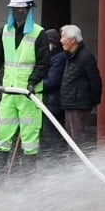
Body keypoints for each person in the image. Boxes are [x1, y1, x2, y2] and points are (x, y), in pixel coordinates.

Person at [0, 0, 51, 175]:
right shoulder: (3, 32)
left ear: (29, 10)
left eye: (22, 10)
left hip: (29, 95)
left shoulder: (39, 34)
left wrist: (33, 81)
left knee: (29, 139)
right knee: (1, 135)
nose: (18, 12)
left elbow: (43, 63)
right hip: (8, 93)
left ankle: (26, 177)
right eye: (15, 10)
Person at [59, 24, 102, 150]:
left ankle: (80, 166)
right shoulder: (70, 56)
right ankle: (73, 166)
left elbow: (95, 80)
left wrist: (94, 101)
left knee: (79, 139)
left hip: (79, 104)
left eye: (64, 37)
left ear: (73, 40)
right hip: (69, 103)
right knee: (70, 139)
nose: (61, 41)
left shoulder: (85, 57)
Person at [40, 28, 67, 156]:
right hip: (50, 101)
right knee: (50, 135)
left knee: (52, 136)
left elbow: (52, 81)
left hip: (54, 103)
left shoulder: (59, 58)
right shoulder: (51, 57)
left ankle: (56, 163)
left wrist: (35, 85)